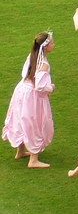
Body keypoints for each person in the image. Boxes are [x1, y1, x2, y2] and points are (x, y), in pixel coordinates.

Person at [2, 32, 55, 168]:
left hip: (21, 91)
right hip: (33, 96)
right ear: (45, 46)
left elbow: (26, 74)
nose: (54, 45)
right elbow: (41, 86)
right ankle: (33, 159)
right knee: (34, 122)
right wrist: (52, 87)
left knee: (21, 118)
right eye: (52, 43)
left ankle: (20, 151)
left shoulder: (31, 57)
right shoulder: (43, 64)